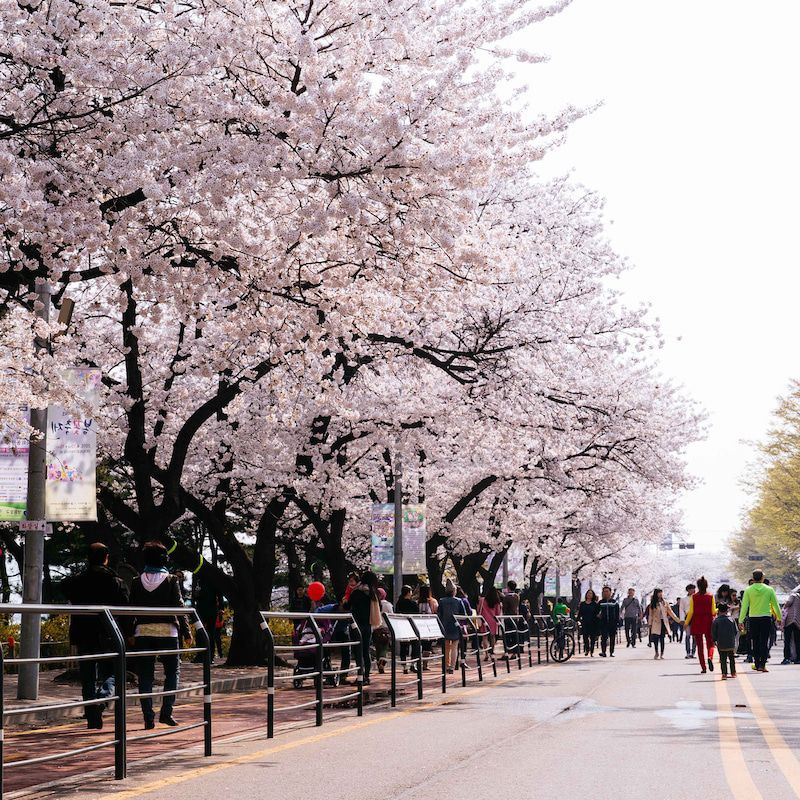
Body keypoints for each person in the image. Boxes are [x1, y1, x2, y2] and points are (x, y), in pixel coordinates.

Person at [61, 542, 129, 729]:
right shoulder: (115, 581)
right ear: (106, 558)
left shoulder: (77, 580)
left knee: (87, 677)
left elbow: (63, 586)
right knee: (114, 673)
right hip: (108, 633)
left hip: (83, 633)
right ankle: (102, 699)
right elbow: (125, 606)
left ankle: (92, 717)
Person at [129, 542, 192, 729]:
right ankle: (166, 713)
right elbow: (179, 607)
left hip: (143, 632)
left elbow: (130, 609)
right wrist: (187, 631)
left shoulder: (135, 581)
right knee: (172, 672)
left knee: (145, 676)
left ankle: (148, 716)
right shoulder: (171, 580)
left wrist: (129, 632)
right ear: (164, 559)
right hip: (168, 632)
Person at [738, 569, 781, 673]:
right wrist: (779, 618)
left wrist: (741, 620)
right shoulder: (769, 589)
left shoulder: (748, 590)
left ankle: (757, 664)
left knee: (755, 641)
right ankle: (763, 664)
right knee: (764, 641)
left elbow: (745, 606)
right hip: (766, 618)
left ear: (753, 578)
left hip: (753, 618)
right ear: (762, 578)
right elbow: (775, 605)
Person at [348, 571, 380, 684]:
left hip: (356, 625)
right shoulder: (373, 593)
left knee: (358, 652)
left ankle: (360, 677)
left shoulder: (357, 592)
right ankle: (366, 676)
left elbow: (348, 605)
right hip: (368, 625)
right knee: (366, 651)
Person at [683, 576, 716, 674]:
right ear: (706, 586)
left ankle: (703, 667)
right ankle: (710, 657)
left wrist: (686, 623)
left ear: (698, 586)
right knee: (710, 644)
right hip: (708, 621)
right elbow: (713, 611)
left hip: (697, 622)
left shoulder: (694, 597)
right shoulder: (710, 596)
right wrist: (719, 610)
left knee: (700, 646)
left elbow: (691, 612)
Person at [438, 580, 465, 673]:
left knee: (446, 647)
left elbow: (439, 614)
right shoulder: (458, 601)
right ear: (454, 591)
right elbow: (463, 614)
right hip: (455, 625)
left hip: (444, 625)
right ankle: (452, 667)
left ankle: (446, 666)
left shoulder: (441, 601)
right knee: (454, 647)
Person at [195, 577, 224, 661]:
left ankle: (210, 656)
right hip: (200, 609)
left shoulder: (214, 580)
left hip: (212, 609)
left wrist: (221, 608)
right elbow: (196, 595)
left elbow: (220, 594)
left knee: (211, 633)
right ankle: (199, 655)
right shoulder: (199, 581)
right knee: (199, 632)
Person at [648, 588, 680, 659]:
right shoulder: (652, 603)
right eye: (659, 593)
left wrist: (678, 620)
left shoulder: (665, 602)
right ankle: (656, 652)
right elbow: (650, 614)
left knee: (662, 638)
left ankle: (662, 653)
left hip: (663, 623)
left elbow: (671, 612)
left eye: (661, 593)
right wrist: (649, 623)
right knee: (656, 638)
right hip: (655, 623)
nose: (660, 594)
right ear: (656, 594)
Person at [395, 585, 420, 673]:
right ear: (408, 592)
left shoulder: (398, 603)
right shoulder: (412, 603)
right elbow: (417, 613)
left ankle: (404, 666)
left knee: (403, 647)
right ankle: (413, 664)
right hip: (412, 626)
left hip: (402, 626)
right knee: (415, 645)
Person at [712, 602, 738, 680]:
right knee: (731, 658)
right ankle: (733, 672)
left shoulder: (716, 621)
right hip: (730, 642)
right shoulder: (731, 619)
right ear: (727, 610)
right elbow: (736, 631)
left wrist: (714, 640)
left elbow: (714, 633)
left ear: (718, 611)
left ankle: (724, 674)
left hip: (721, 643)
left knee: (723, 659)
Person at [477, 585, 502, 660]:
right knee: (492, 637)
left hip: (484, 620)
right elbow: (498, 613)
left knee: (484, 637)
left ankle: (486, 654)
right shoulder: (497, 602)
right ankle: (492, 652)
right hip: (493, 621)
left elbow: (478, 610)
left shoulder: (482, 600)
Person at [373, 588, 393, 673]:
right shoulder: (388, 604)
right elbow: (391, 615)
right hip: (385, 629)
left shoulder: (373, 603)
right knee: (384, 647)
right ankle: (382, 662)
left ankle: (378, 663)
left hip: (375, 629)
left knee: (378, 648)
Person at [597, 586, 620, 657]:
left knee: (612, 638)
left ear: (610, 592)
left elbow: (617, 613)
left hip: (612, 623)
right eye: (604, 591)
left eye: (607, 591)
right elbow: (597, 612)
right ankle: (603, 651)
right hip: (603, 623)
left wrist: (616, 622)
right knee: (603, 637)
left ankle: (611, 652)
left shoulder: (614, 602)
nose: (605, 593)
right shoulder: (600, 602)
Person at [781, 584, 800, 665]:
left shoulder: (793, 595)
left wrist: (785, 603)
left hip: (790, 621)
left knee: (787, 640)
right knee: (797, 641)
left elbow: (788, 603)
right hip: (798, 622)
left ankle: (787, 658)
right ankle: (798, 658)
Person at [577, 589, 599, 656]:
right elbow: (580, 613)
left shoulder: (595, 604)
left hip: (593, 622)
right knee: (585, 637)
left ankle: (591, 651)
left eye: (591, 594)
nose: (589, 595)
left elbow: (597, 613)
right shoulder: (582, 604)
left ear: (593, 595)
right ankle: (587, 649)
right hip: (585, 622)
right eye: (588, 593)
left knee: (592, 638)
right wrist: (577, 619)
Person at [679, 584, 697, 659]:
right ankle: (688, 652)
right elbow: (681, 610)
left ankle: (693, 652)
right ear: (688, 590)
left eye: (693, 589)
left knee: (695, 636)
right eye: (691, 589)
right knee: (687, 635)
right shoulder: (684, 599)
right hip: (687, 617)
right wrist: (682, 620)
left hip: (696, 617)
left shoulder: (697, 598)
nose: (693, 591)